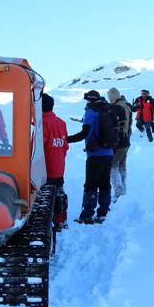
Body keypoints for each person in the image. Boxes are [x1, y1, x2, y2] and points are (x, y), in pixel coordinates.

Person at [67, 90, 114, 224]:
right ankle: (103, 213)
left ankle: (87, 215)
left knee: (91, 185)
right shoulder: (107, 109)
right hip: (109, 152)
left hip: (95, 154)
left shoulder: (91, 112)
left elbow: (84, 133)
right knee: (105, 183)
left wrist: (67, 139)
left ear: (89, 100)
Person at [41, 93, 69, 228]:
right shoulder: (61, 123)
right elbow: (65, 145)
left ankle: (48, 222)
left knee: (46, 197)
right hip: (59, 165)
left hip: (45, 168)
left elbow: (39, 147)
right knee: (59, 193)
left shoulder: (41, 123)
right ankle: (61, 220)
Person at [107, 88, 132, 199]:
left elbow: (111, 123)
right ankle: (123, 186)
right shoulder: (126, 105)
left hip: (119, 140)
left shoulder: (116, 108)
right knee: (122, 164)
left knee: (113, 165)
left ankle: (119, 191)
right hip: (126, 139)